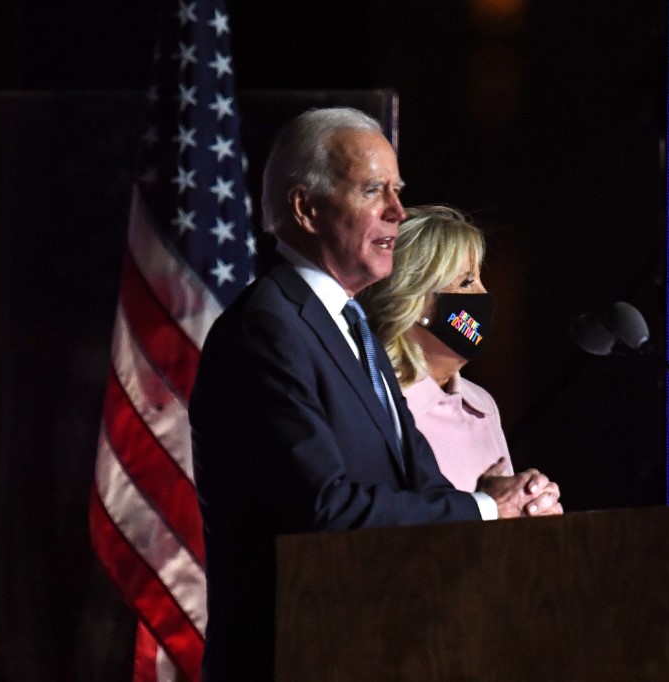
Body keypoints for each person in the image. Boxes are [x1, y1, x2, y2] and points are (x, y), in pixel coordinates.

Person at [188, 107, 562, 681]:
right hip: (297, 657)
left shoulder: (349, 327)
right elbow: (322, 509)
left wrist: (504, 500)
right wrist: (486, 510)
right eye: (372, 190)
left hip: (378, 645)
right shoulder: (267, 329)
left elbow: (420, 479)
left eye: (397, 190)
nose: (397, 210)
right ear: (304, 207)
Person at [360, 205, 514, 492]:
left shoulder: (482, 404)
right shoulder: (377, 405)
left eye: (480, 279)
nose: (483, 295)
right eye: (467, 282)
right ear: (415, 303)